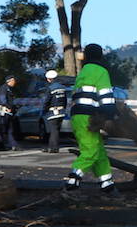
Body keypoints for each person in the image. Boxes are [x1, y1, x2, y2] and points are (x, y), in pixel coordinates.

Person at [64, 44, 118, 194]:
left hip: (77, 116)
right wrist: (111, 116)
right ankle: (73, 179)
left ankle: (107, 183)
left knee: (98, 150)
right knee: (91, 150)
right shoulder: (101, 71)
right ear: (100, 56)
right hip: (90, 117)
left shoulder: (82, 72)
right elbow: (106, 97)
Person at [41, 69, 67, 153]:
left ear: (49, 79)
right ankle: (51, 146)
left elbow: (46, 101)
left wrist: (43, 111)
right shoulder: (62, 88)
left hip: (53, 112)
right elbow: (65, 100)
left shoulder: (50, 88)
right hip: (61, 111)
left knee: (53, 130)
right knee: (56, 130)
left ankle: (54, 148)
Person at [0, 75, 19, 151]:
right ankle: (1, 144)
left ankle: (13, 144)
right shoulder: (4, 88)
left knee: (10, 129)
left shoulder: (9, 89)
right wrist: (8, 107)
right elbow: (2, 99)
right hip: (4, 111)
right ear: (9, 81)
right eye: (13, 81)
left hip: (8, 111)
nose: (14, 82)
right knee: (3, 129)